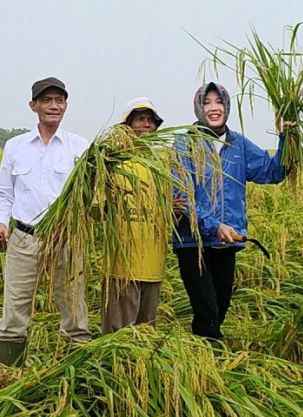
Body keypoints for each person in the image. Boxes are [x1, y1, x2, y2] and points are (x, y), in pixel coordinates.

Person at [172, 82, 291, 343]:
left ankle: (203, 352)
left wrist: (288, 139)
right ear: (198, 108)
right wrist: (214, 226)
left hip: (226, 241)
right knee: (207, 308)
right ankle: (210, 362)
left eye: (219, 102)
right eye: (207, 102)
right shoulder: (185, 145)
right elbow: (182, 197)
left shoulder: (239, 145)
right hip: (193, 242)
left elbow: (273, 171)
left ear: (227, 107)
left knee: (221, 304)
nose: (214, 108)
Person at [0, 77, 91, 365]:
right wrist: (0, 223)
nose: (53, 106)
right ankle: (9, 374)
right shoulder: (15, 146)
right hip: (24, 238)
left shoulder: (79, 147)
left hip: (66, 237)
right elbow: (4, 195)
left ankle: (75, 377)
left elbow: (87, 197)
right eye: (47, 100)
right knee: (15, 309)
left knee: (73, 310)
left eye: (59, 100)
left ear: (66, 106)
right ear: (33, 106)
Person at [100, 98, 171, 334]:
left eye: (151, 121)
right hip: (121, 264)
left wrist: (176, 207)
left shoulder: (164, 163)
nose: (147, 125)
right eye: (140, 119)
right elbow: (96, 209)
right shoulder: (112, 161)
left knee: (146, 333)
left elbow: (174, 202)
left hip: (153, 263)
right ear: (127, 126)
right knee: (117, 335)